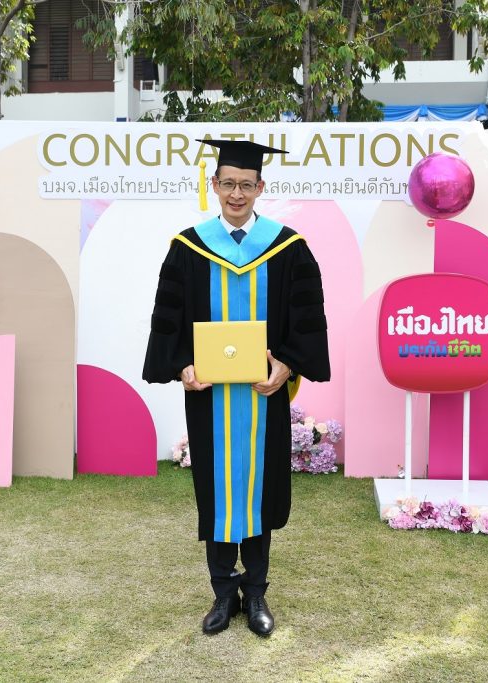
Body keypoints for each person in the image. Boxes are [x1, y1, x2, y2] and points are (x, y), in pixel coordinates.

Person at [143, 139, 330, 637]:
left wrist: (287, 365)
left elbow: (306, 318)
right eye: (228, 184)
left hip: (264, 396)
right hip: (210, 398)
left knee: (260, 490)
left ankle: (258, 591)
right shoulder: (188, 247)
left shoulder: (288, 247)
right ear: (214, 185)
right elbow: (169, 318)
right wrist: (182, 366)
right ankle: (223, 592)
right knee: (217, 488)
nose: (236, 194)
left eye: (246, 184)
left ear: (260, 187)